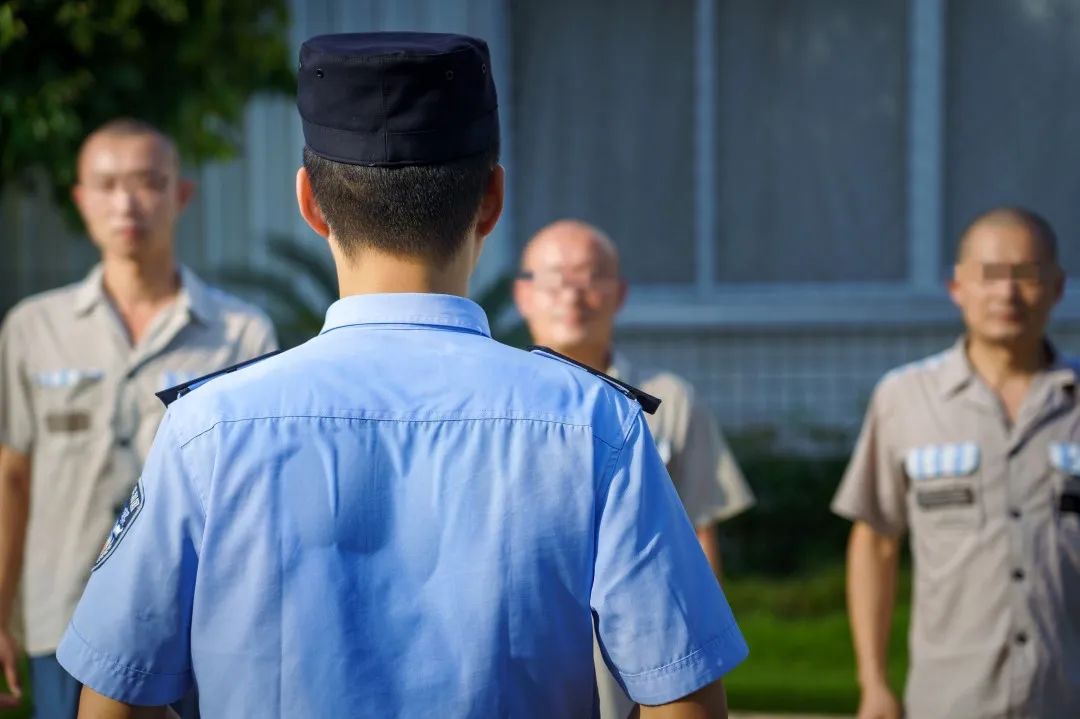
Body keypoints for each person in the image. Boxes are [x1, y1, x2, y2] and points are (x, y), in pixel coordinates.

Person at [54, 32, 748, 718]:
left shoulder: (208, 426)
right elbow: (682, 697)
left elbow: (115, 696)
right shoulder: (595, 422)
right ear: (492, 199)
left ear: (310, 201)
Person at [0, 118, 277, 718]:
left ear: (182, 194)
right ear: (80, 199)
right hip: (62, 615)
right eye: (106, 184)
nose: (126, 202)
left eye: (148, 182)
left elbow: (260, 497)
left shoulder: (241, 333)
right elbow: (12, 478)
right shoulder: (31, 329)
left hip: (194, 623)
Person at [832, 207, 1080, 718]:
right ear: (957, 288)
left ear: (1057, 287)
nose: (1007, 293)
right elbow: (876, 542)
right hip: (951, 699)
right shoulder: (905, 398)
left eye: (1027, 275)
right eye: (990, 275)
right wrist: (874, 682)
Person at [514, 219, 756, 718]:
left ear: (619, 294)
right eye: (555, 279)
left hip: (634, 670)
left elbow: (698, 537)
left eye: (590, 278)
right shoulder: (498, 405)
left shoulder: (669, 401)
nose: (573, 296)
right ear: (523, 294)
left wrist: (685, 671)